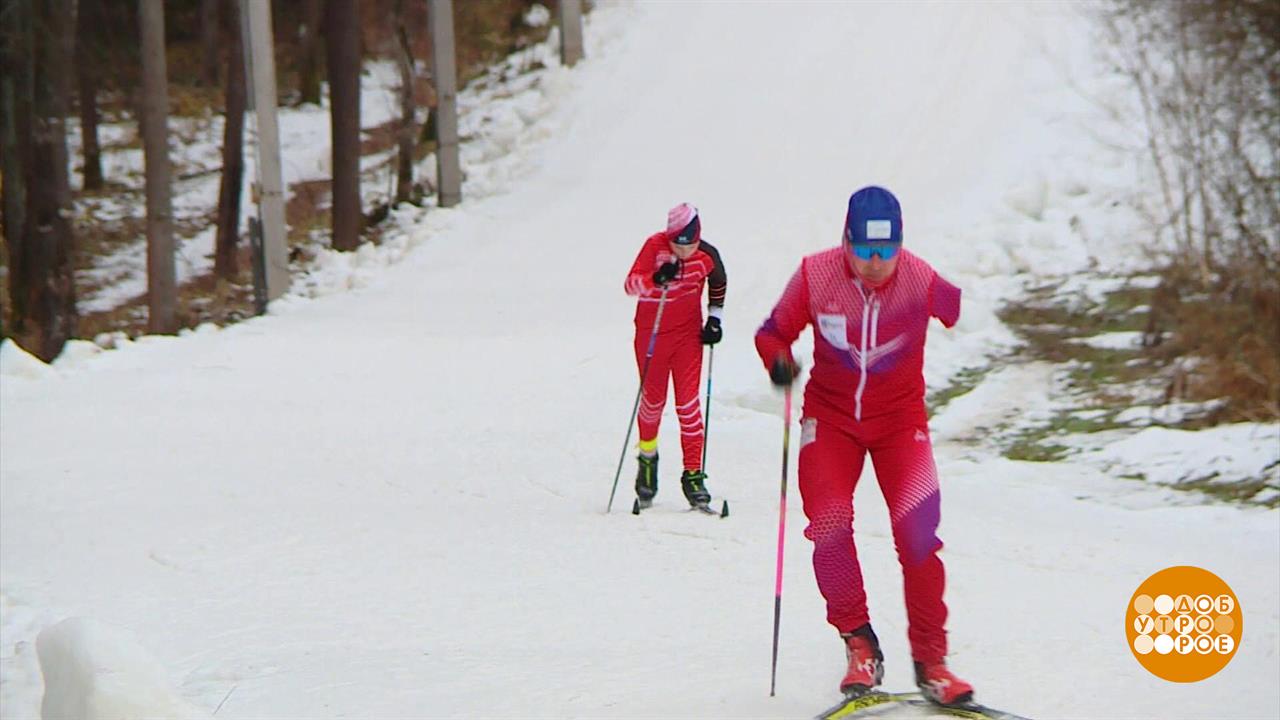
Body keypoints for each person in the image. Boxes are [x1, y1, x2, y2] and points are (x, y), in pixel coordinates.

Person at [753, 186, 973, 706]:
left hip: (900, 423)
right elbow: (772, 332)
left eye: (887, 251)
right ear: (846, 240)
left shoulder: (919, 279)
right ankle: (859, 642)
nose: (876, 264)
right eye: (865, 251)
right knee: (828, 524)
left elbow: (959, 308)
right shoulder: (816, 275)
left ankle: (932, 661)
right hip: (831, 420)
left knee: (918, 535)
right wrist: (778, 360)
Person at [623, 203, 727, 508]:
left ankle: (693, 474)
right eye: (677, 245)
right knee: (653, 402)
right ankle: (647, 460)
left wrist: (715, 318)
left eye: (689, 245)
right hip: (652, 335)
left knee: (688, 404)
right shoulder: (654, 247)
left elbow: (719, 281)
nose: (684, 252)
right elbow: (630, 285)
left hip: (687, 337)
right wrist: (655, 279)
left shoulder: (706, 254)